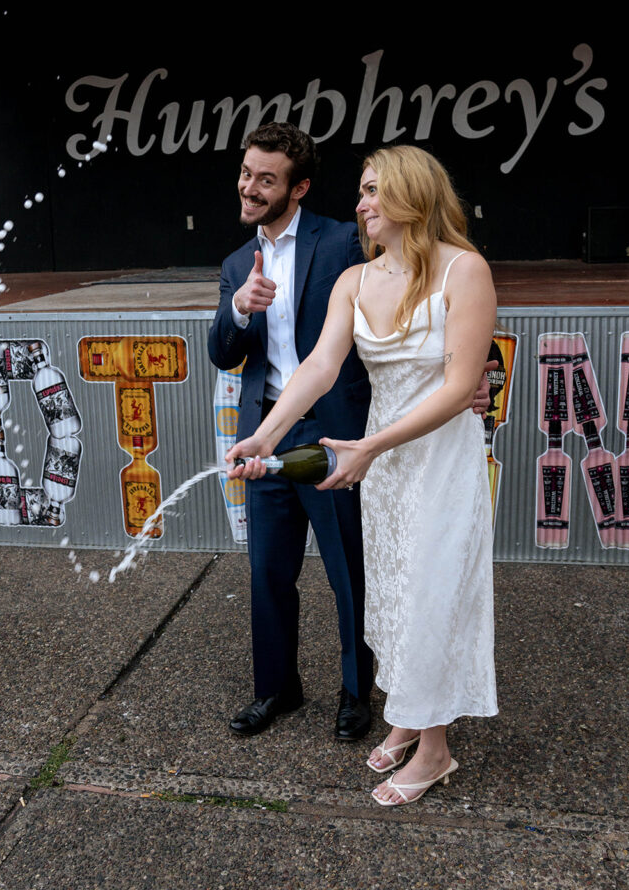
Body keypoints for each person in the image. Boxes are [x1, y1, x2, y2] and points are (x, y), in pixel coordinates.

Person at [226, 144, 498, 807]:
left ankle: (434, 751)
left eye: (373, 190)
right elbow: (318, 367)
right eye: (361, 190)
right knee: (396, 593)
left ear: (410, 194)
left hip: (437, 458)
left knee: (432, 593)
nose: (361, 204)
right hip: (381, 463)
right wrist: (263, 435)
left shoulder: (464, 270)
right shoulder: (355, 279)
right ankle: (408, 714)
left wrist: (369, 446)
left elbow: (459, 386)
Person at [208, 122, 375, 741]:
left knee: (347, 571)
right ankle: (277, 688)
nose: (249, 187)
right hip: (266, 430)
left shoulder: (343, 242)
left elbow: (399, 306)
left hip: (333, 431)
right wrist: (237, 308)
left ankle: (356, 691)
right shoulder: (236, 264)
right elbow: (223, 354)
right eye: (246, 173)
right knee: (268, 572)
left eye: (266, 179)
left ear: (298, 188)